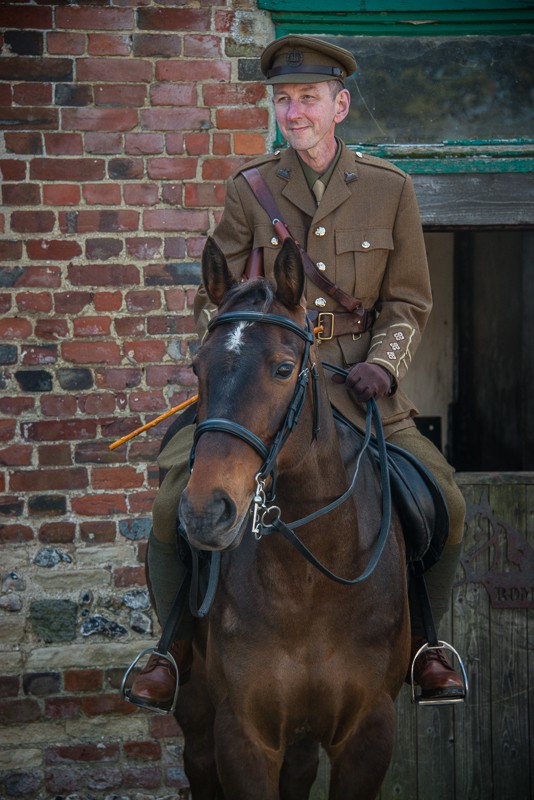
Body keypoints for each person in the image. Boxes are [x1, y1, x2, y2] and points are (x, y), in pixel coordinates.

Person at [127, 34, 466, 712]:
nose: (294, 111)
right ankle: (174, 648)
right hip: (260, 388)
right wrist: (236, 354)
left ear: (339, 105)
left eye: (308, 99)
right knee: (171, 508)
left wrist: (383, 365)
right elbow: (212, 297)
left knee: (447, 507)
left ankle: (425, 645)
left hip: (354, 390)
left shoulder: (389, 189)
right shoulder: (251, 190)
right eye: (284, 100)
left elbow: (408, 302)